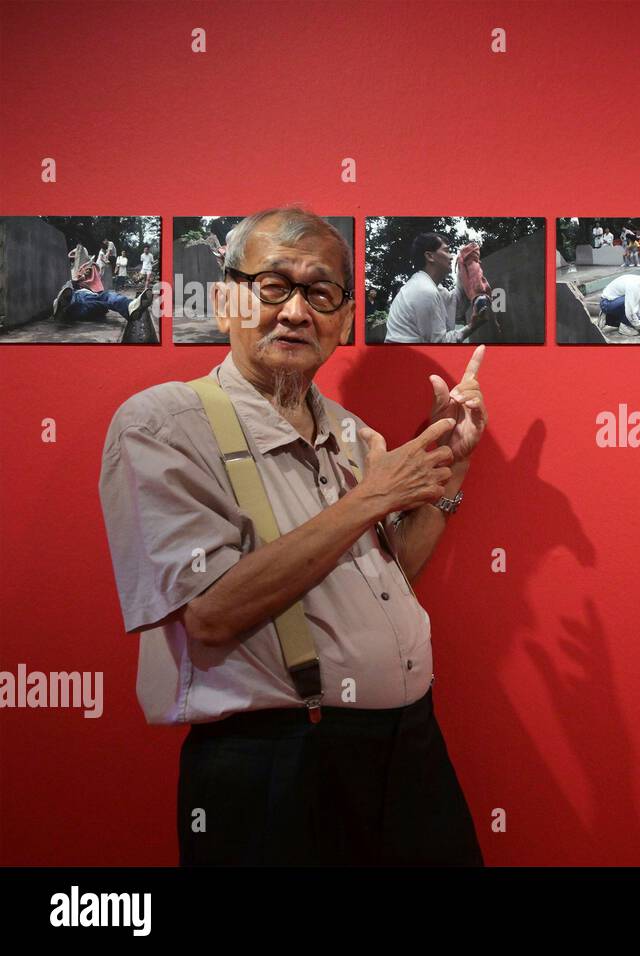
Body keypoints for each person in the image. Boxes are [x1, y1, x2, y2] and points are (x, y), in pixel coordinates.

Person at [97, 206, 488, 866]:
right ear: (226, 300)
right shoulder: (164, 424)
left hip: (411, 749)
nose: (296, 311)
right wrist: (375, 496)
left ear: (342, 319)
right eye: (273, 285)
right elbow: (210, 615)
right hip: (279, 768)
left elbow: (388, 582)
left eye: (321, 292)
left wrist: (453, 469)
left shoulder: (351, 432)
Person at [385, 232, 487, 343]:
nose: (452, 257)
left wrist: (464, 270)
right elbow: (440, 343)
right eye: (447, 251)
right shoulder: (424, 291)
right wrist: (472, 326)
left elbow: (456, 307)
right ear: (430, 256)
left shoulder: (431, 286)